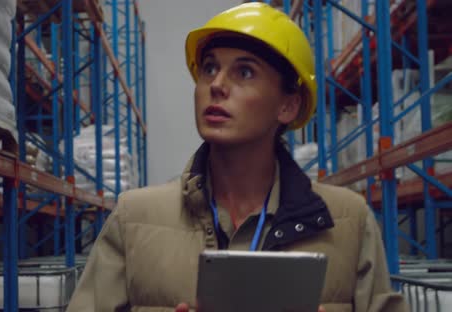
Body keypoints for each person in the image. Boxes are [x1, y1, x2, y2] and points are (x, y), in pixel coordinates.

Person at [66, 3, 408, 312]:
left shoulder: (348, 221)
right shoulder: (133, 219)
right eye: (209, 68)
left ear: (288, 105)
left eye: (244, 72)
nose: (216, 84)